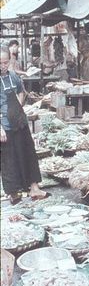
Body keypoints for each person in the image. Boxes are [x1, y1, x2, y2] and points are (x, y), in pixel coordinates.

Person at [0, 45, 51, 204]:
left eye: (5, 62)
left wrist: (19, 106)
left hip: (20, 121)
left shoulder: (13, 76)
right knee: (9, 159)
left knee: (28, 153)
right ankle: (14, 193)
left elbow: (22, 91)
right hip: (5, 126)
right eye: (0, 63)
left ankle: (34, 188)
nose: (3, 66)